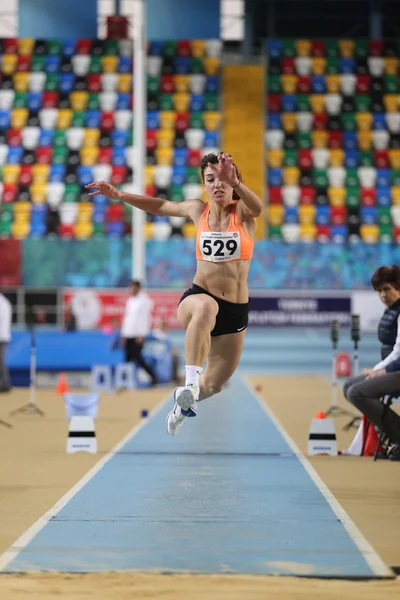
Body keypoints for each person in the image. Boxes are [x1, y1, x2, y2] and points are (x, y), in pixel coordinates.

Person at [86, 152, 263, 435]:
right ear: (203, 184)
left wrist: (238, 184)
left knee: (215, 384)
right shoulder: (197, 210)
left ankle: (185, 402)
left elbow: (259, 208)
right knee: (206, 308)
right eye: (211, 179)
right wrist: (120, 195)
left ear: (233, 181)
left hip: (235, 310)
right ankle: (190, 381)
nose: (218, 184)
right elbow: (160, 206)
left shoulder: (242, 213)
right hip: (198, 297)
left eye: (224, 179)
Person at [343, 265, 400, 459]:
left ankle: (397, 436)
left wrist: (381, 371)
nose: (383, 295)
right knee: (350, 385)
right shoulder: (393, 310)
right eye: (379, 291)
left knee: (356, 392)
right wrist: (378, 369)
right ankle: (391, 438)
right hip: (393, 369)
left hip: (397, 371)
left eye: (387, 289)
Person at [120, 280, 158, 386]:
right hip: (128, 333)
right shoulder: (130, 301)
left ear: (138, 288)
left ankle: (153, 376)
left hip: (138, 334)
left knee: (138, 357)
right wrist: (123, 334)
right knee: (127, 358)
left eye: (133, 288)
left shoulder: (145, 301)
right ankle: (125, 381)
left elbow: (145, 319)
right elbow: (127, 318)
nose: (131, 290)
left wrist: (142, 334)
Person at [0, 291, 12, 393]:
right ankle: (4, 383)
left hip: (1, 336)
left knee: (1, 361)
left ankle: (5, 384)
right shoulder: (5, 302)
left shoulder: (2, 303)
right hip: (3, 335)